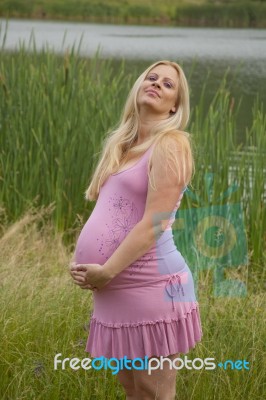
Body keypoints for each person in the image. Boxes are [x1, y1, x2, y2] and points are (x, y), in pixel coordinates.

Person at [70, 60, 203, 400]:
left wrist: (106, 271)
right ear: (139, 86)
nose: (157, 83)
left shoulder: (171, 144)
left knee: (154, 391)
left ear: (175, 105)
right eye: (152, 77)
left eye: (168, 84)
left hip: (152, 284)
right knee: (133, 389)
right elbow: (112, 211)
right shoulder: (123, 147)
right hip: (114, 287)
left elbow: (154, 224)